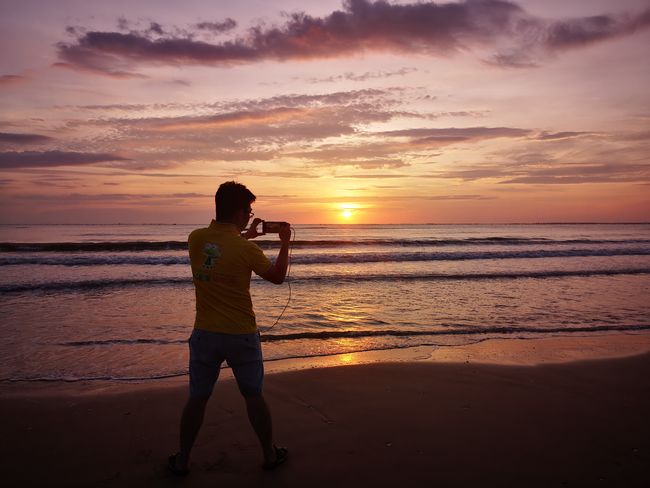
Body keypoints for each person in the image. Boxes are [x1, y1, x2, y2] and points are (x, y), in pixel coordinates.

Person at [168, 181, 291, 475]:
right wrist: (285, 243)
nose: (250, 215)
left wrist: (246, 234)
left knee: (198, 397)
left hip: (205, 333)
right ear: (238, 213)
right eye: (248, 211)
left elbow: (219, 249)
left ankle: (183, 459)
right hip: (241, 335)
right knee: (253, 395)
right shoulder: (246, 250)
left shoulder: (196, 239)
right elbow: (276, 277)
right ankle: (269, 455)